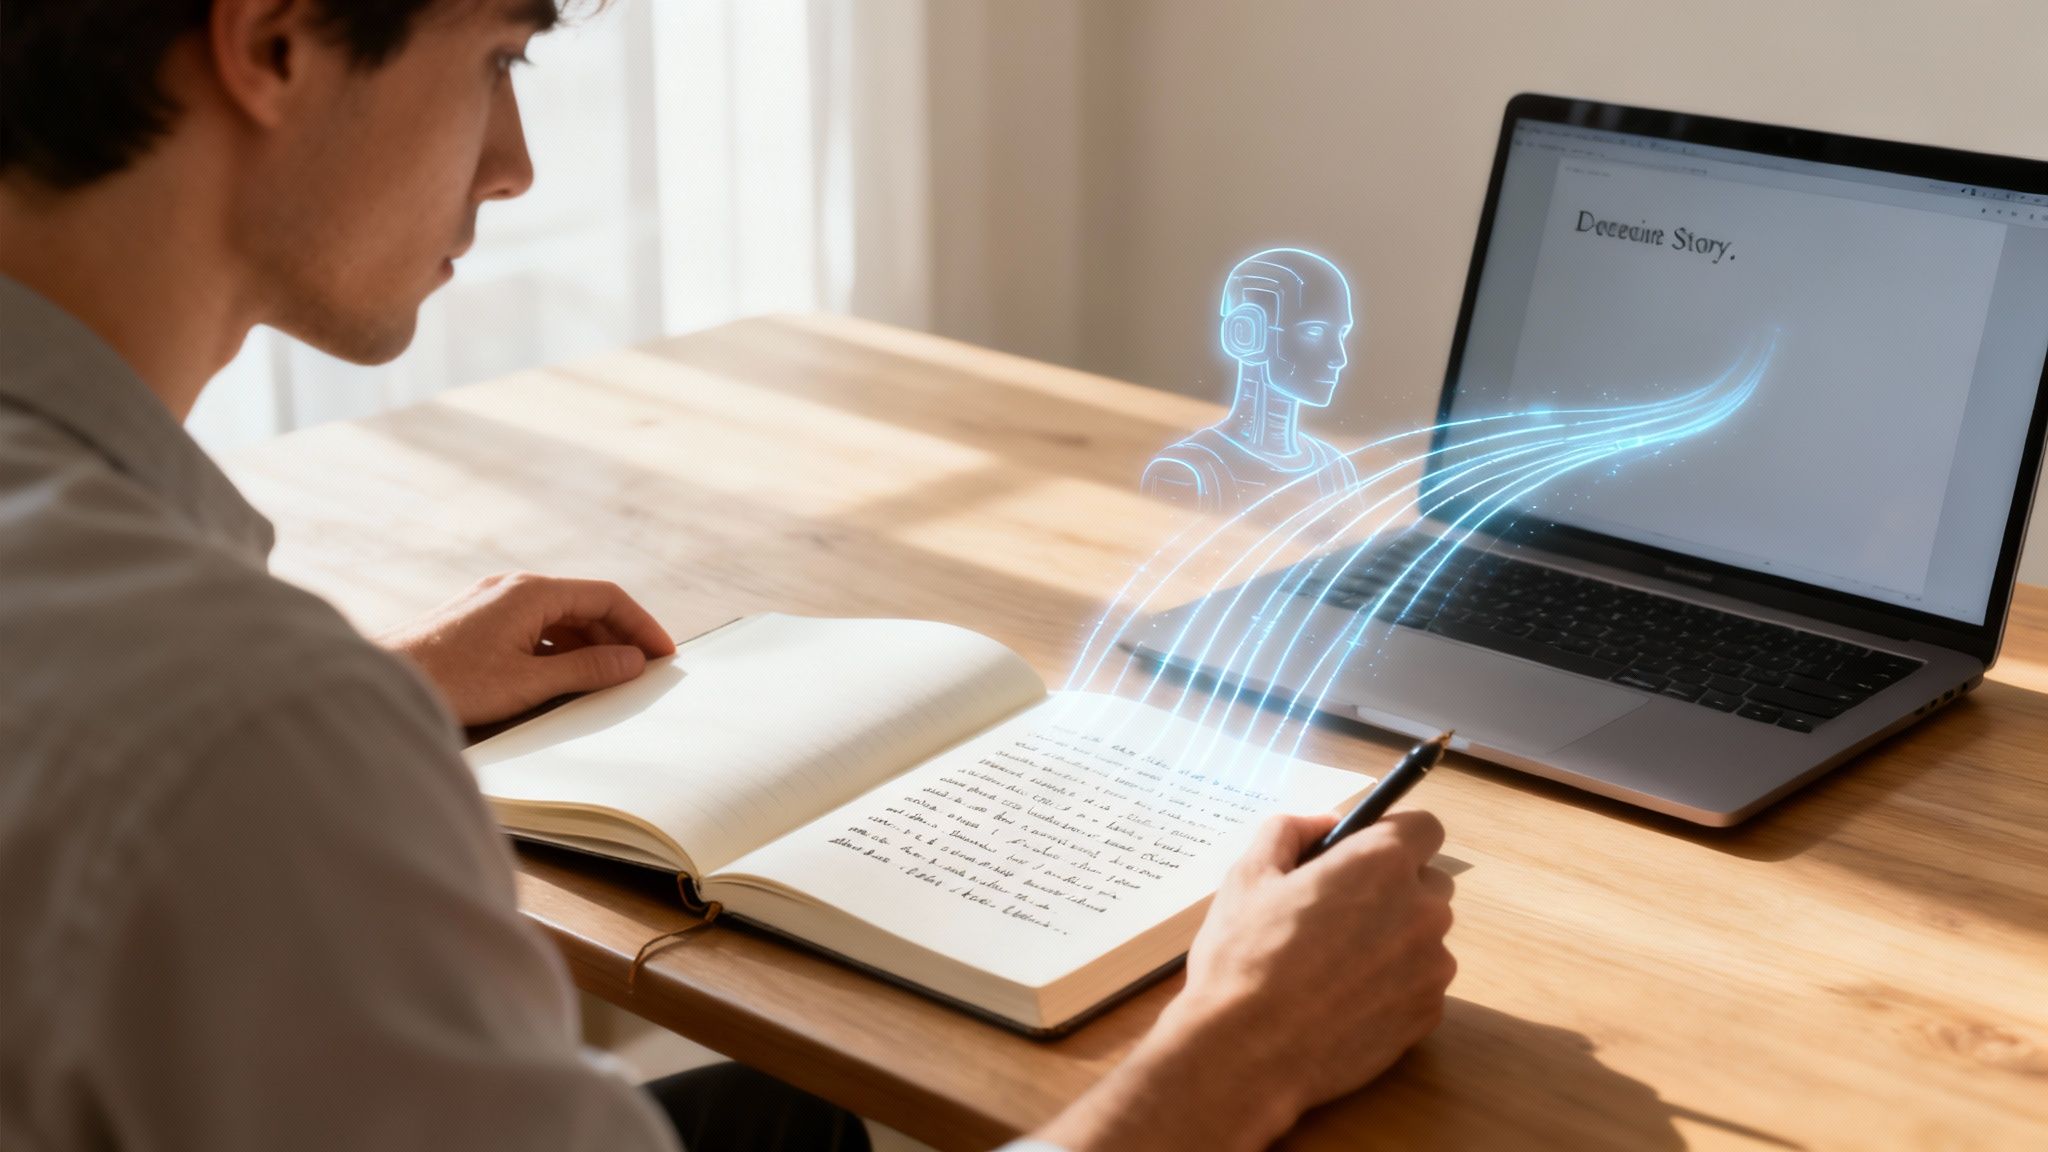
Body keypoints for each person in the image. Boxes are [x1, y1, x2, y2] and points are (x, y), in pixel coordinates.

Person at [0, 3, 1457, 1150]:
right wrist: (1239, 1052)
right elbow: (190, 761)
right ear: (275, 41)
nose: (514, 162)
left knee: (787, 1120)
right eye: (499, 54)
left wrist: (373, 704)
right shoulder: (238, 729)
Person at [1141, 248, 1365, 517]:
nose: (1338, 357)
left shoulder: (1336, 472)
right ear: (1247, 333)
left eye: (1341, 334)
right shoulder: (1188, 472)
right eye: (1314, 331)